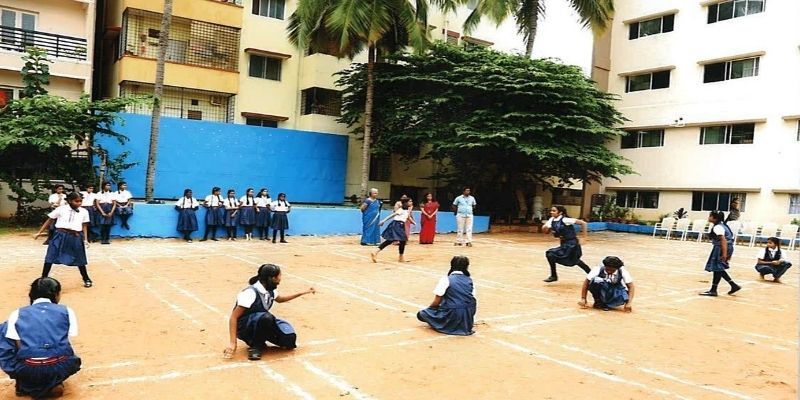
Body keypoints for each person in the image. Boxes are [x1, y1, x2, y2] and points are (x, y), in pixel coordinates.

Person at [0, 278, 81, 398]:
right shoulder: (66, 311)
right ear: (56, 294)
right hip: (59, 365)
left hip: (29, 368)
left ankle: (27, 384)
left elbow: (18, 346)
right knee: (71, 359)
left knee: (4, 329)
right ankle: (52, 382)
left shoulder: (17, 313)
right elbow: (66, 340)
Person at [223, 264, 315, 361]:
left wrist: (302, 293)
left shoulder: (270, 290)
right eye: (279, 276)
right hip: (246, 327)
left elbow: (281, 299)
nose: (280, 279)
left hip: (261, 322)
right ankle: (256, 346)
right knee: (267, 318)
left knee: (289, 339)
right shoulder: (250, 293)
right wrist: (233, 343)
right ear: (272, 278)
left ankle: (261, 339)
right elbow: (234, 317)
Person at [33, 192, 93, 288]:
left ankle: (86, 278)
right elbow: (50, 220)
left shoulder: (84, 211)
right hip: (60, 235)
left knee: (79, 257)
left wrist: (85, 239)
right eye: (76, 201)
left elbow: (84, 226)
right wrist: (39, 232)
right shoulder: (61, 209)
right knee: (50, 255)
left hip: (75, 236)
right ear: (69, 201)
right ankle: (43, 279)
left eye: (80, 201)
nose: (79, 203)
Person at [416, 256, 477, 335]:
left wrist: (430, 309)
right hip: (468, 313)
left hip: (453, 312)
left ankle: (447, 324)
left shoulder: (446, 279)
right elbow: (472, 297)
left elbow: (437, 301)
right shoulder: (469, 280)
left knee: (422, 314)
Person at [542, 205, 591, 283]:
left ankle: (591, 275)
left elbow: (583, 223)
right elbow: (546, 231)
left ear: (560, 212)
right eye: (551, 211)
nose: (551, 212)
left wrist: (584, 238)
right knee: (550, 254)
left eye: (554, 211)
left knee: (575, 261)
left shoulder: (565, 220)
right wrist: (545, 227)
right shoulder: (552, 220)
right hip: (564, 243)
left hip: (572, 244)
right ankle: (553, 276)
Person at [700, 210, 742, 296]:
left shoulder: (718, 227)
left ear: (714, 218)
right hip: (727, 247)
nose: (709, 217)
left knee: (718, 267)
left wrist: (724, 253)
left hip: (721, 248)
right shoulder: (723, 225)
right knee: (718, 268)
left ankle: (731, 285)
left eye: (710, 216)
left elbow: (723, 240)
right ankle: (716, 289)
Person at [371, 198, 410, 263]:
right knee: (402, 240)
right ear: (405, 203)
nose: (410, 203)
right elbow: (392, 215)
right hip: (397, 225)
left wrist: (413, 222)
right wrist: (383, 220)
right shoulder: (401, 210)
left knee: (391, 240)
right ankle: (401, 257)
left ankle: (375, 252)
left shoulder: (406, 210)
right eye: (409, 202)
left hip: (399, 225)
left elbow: (407, 217)